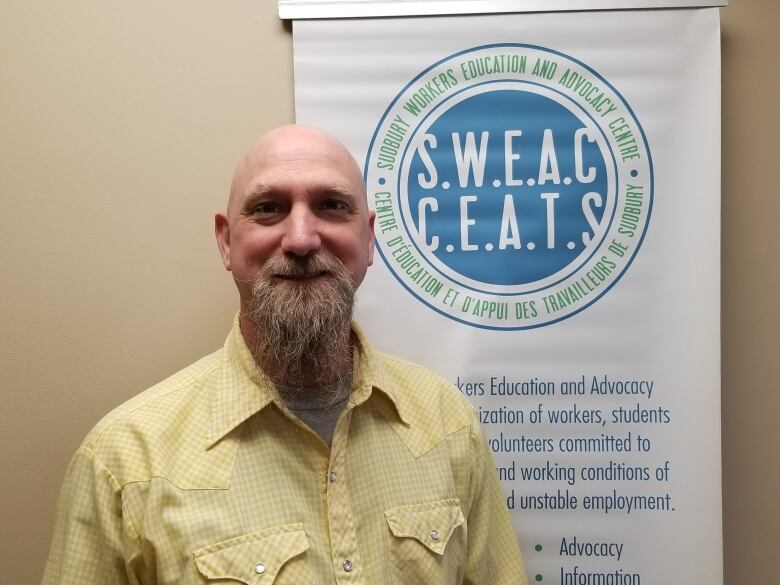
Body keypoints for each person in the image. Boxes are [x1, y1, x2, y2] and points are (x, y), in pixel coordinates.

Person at [41, 125, 528, 585]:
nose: (300, 239)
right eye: (269, 208)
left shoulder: (447, 423)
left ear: (368, 238)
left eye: (332, 206)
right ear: (227, 241)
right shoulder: (123, 463)